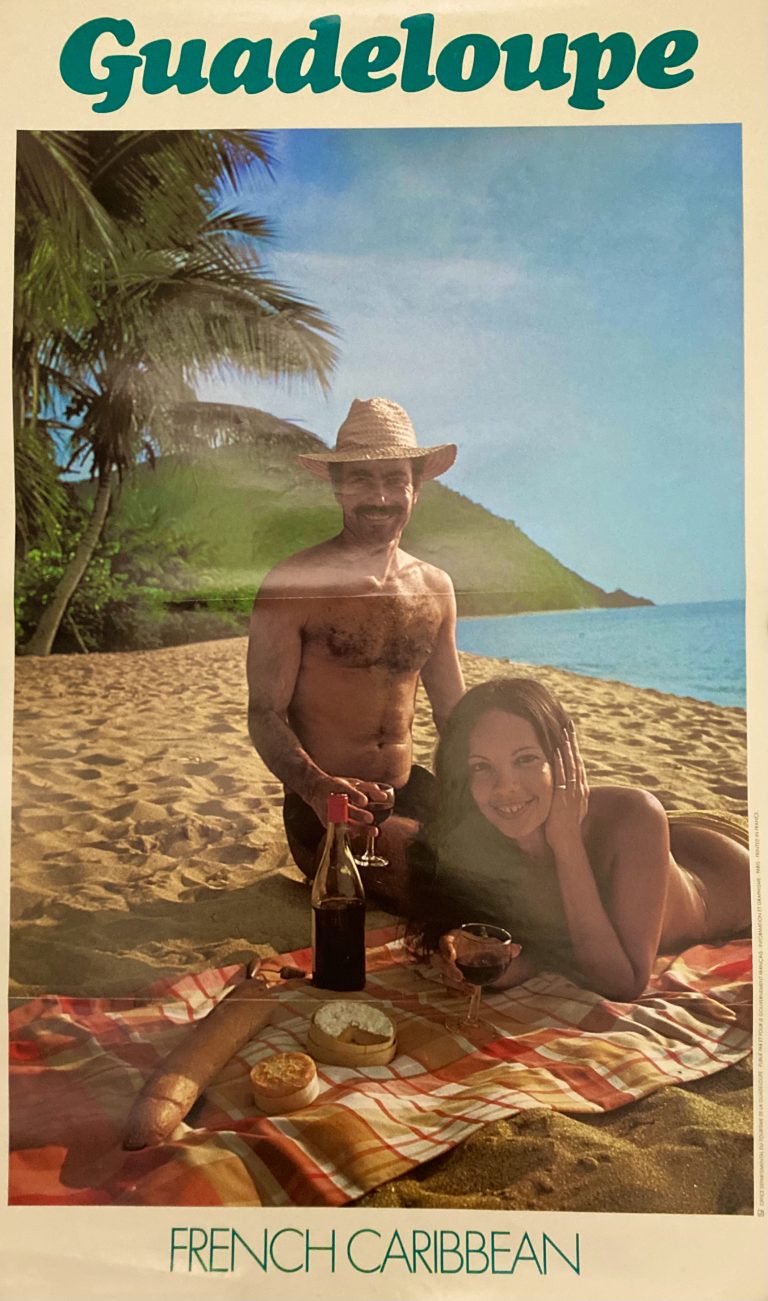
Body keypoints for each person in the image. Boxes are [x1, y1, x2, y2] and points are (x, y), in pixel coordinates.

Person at [247, 397, 466, 906]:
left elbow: (454, 712)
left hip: (411, 791)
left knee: (521, 864)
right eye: (362, 479)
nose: (381, 496)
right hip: (325, 807)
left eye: (394, 479)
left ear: (416, 488)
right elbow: (264, 712)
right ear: (337, 486)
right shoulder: (293, 584)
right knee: (445, 887)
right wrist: (318, 788)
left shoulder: (435, 587)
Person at [409, 676, 751, 1001]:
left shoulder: (634, 815)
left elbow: (624, 982)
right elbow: (549, 946)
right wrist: (482, 959)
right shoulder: (481, 833)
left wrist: (567, 842)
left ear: (562, 761)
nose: (505, 788)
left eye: (526, 760)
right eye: (482, 767)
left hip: (733, 872)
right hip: (670, 843)